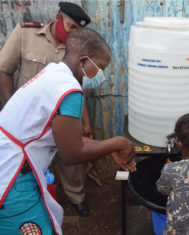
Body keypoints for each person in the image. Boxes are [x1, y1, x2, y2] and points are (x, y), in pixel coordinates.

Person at [0, 27, 136, 235]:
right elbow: (71, 153)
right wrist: (119, 142)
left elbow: (70, 140)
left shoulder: (53, 74)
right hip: (12, 178)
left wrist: (108, 149)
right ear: (83, 62)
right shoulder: (69, 90)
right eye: (99, 68)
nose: (100, 75)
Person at [0, 1, 93, 216]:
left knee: (70, 158)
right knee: (28, 165)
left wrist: (85, 123)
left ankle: (76, 197)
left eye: (79, 31)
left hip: (62, 118)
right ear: (59, 18)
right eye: (71, 27)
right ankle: (35, 200)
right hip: (28, 121)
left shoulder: (76, 50)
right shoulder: (26, 34)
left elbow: (78, 90)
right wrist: (11, 104)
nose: (73, 35)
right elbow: (5, 70)